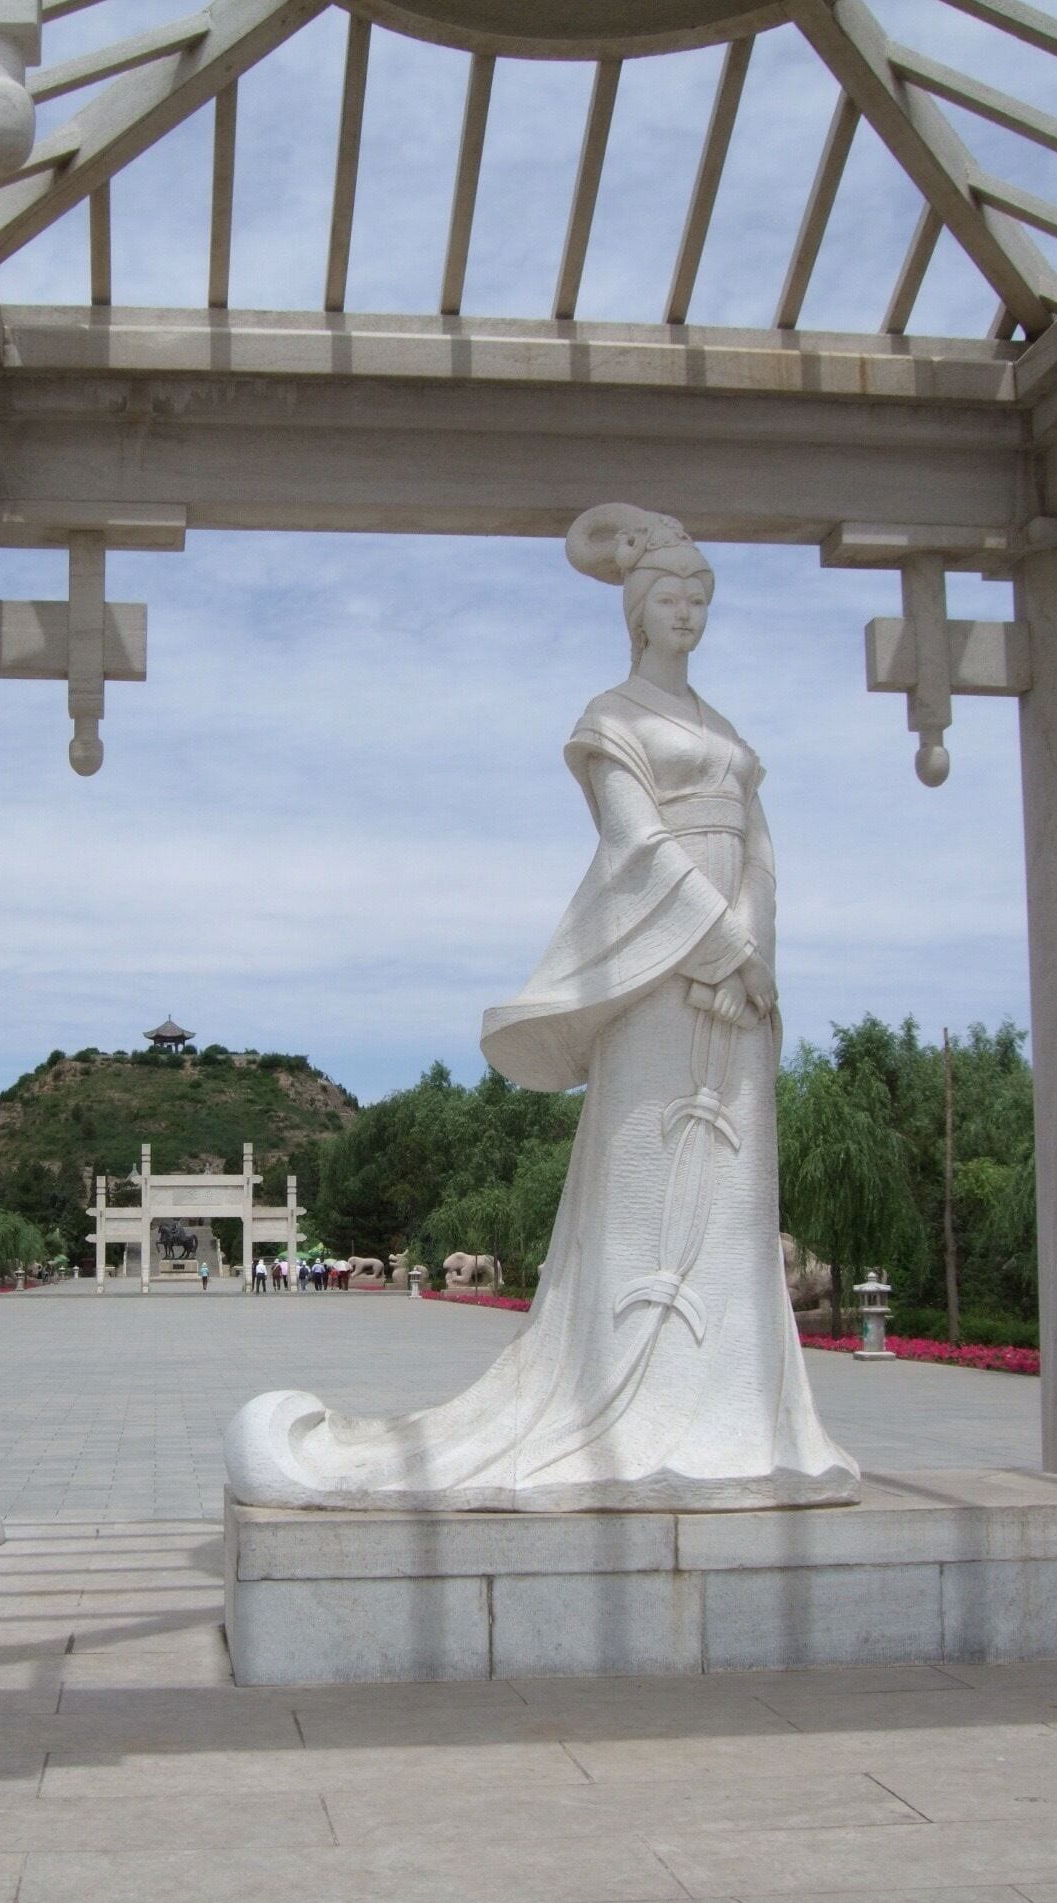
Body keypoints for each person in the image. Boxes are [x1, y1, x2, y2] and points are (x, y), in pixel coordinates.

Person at [225, 504, 859, 1513]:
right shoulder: (610, 719)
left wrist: (756, 952)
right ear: (636, 611)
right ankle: (627, 1404)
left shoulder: (728, 731)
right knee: (650, 1175)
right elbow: (637, 847)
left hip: (737, 990)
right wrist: (720, 938)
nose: (687, 610)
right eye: (668, 595)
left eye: (701, 595)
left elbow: (764, 846)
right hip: (658, 972)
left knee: (734, 1195)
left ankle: (736, 1413)